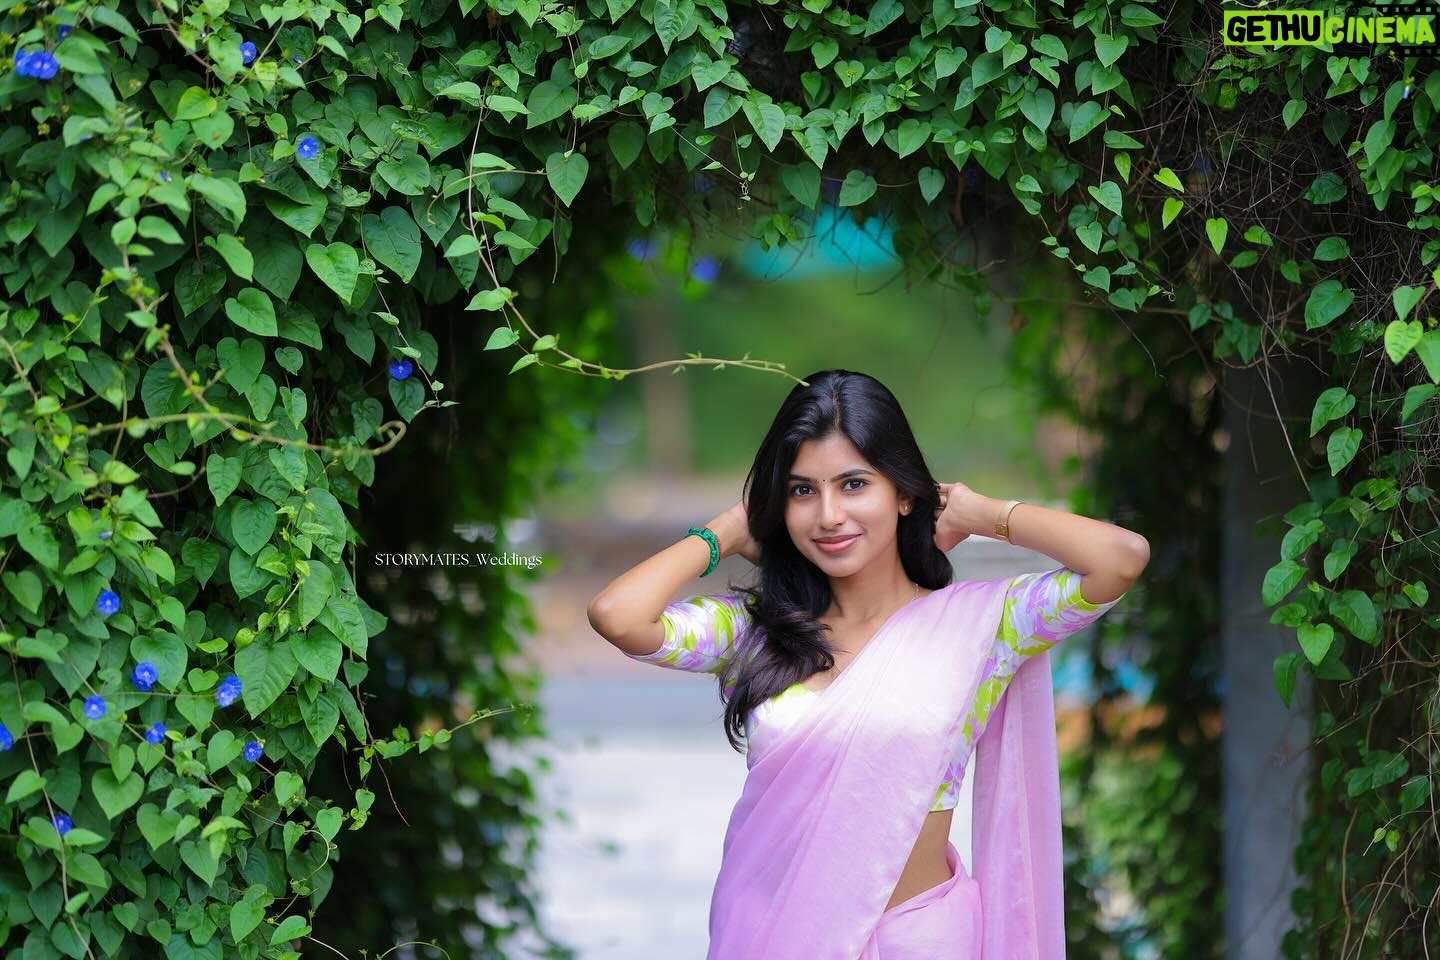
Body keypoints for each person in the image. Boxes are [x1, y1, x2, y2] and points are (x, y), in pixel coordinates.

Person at [586, 369, 1149, 959]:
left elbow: (1121, 558)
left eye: (853, 484)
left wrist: (981, 513)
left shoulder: (986, 626)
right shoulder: (753, 631)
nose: (829, 515)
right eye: (802, 491)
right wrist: (724, 530)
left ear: (903, 493)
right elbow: (617, 615)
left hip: (922, 941)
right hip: (774, 936)